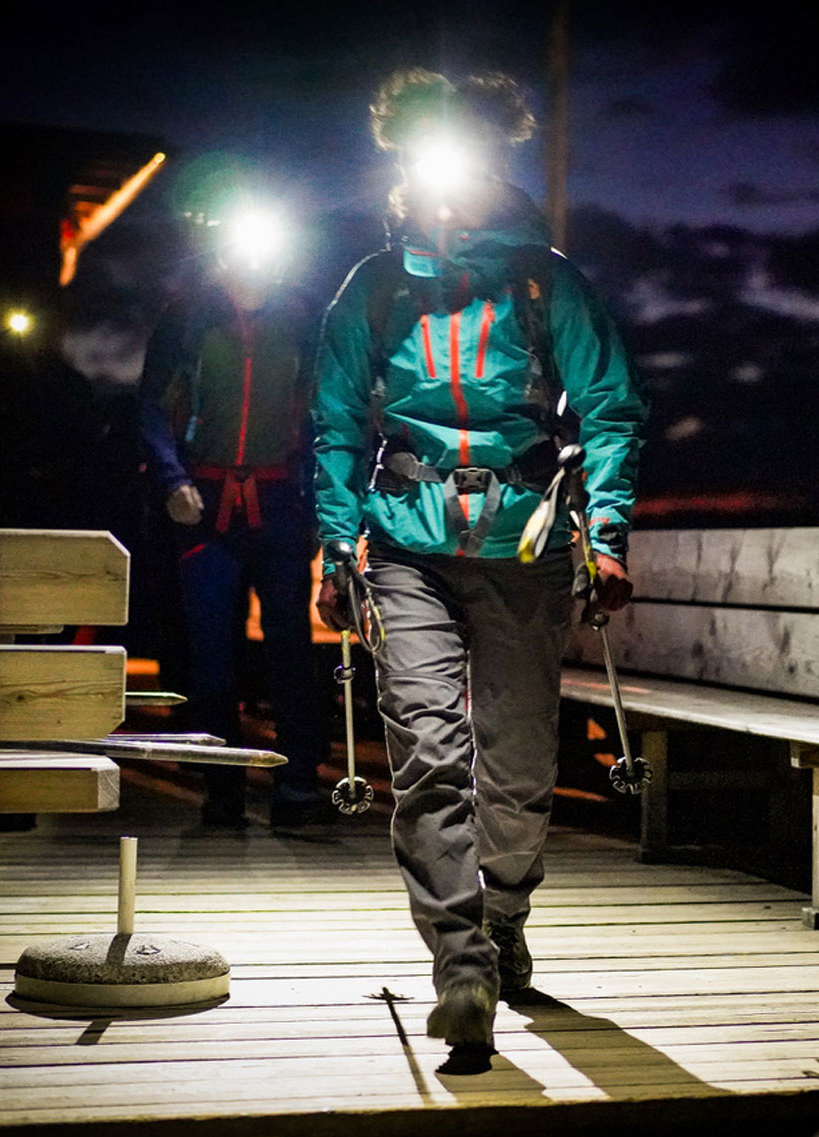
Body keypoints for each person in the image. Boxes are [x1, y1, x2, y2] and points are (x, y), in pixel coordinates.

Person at [313, 68, 649, 1055]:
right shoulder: (373, 287)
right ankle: (461, 967)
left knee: (518, 759)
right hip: (404, 546)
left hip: (524, 542)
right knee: (427, 752)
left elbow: (610, 408)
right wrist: (335, 544)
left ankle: (503, 918)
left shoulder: (548, 281)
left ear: (496, 163)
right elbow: (336, 421)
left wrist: (607, 535)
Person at [138, 200, 330, 829]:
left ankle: (297, 786)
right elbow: (150, 407)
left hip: (278, 504)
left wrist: (317, 502)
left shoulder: (302, 317)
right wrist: (173, 479)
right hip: (205, 505)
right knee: (211, 652)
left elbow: (324, 412)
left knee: (290, 648)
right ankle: (222, 786)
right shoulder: (188, 317)